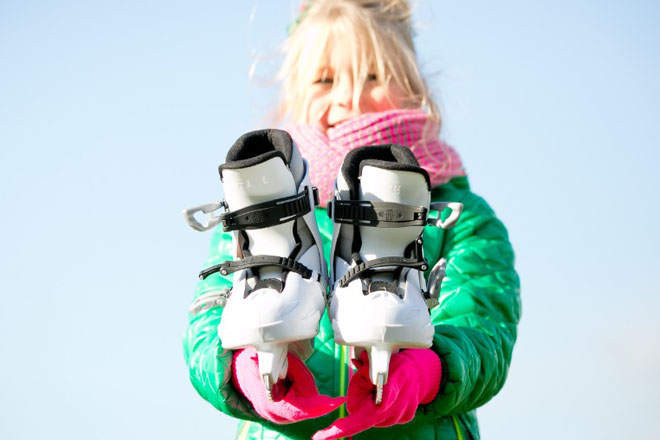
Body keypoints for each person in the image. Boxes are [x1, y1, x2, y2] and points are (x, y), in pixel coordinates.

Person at [183, 1, 521, 439]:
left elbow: (484, 326)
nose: (348, 96)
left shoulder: (458, 217)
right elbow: (205, 322)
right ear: (295, 97)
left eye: (373, 77)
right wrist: (240, 369)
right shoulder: (252, 219)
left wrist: (430, 370)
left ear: (416, 89)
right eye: (324, 80)